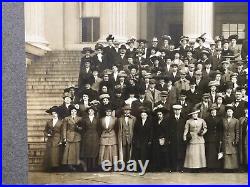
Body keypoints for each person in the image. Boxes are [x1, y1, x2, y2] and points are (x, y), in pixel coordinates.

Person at [61, 105, 82, 171]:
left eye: (75, 111)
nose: (73, 112)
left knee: (76, 151)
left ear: (76, 112)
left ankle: (75, 165)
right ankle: (68, 165)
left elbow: (82, 128)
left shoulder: (80, 119)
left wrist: (79, 128)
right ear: (70, 112)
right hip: (69, 136)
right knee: (68, 151)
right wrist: (64, 137)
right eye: (72, 111)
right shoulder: (66, 118)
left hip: (77, 136)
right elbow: (64, 129)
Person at [132, 107, 153, 171]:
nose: (143, 116)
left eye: (144, 115)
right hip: (139, 140)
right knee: (138, 154)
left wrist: (150, 140)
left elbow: (151, 132)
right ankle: (138, 168)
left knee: (145, 154)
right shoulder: (138, 122)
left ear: (147, 115)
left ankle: (145, 168)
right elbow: (135, 132)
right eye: (142, 115)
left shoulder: (150, 122)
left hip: (146, 140)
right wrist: (135, 139)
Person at [80, 105, 100, 171]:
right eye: (89, 111)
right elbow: (83, 129)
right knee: (87, 151)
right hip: (87, 136)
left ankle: (93, 167)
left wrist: (98, 136)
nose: (90, 112)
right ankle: (87, 167)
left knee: (94, 150)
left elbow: (99, 129)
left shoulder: (97, 119)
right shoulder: (85, 119)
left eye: (92, 111)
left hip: (95, 136)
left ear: (94, 112)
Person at [43, 106, 63, 171]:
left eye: (56, 113)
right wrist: (47, 134)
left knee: (56, 153)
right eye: (53, 113)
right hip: (50, 139)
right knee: (50, 153)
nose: (54, 115)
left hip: (57, 139)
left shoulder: (61, 122)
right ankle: (50, 167)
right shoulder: (49, 122)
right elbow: (45, 131)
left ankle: (56, 167)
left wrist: (61, 140)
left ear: (58, 114)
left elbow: (62, 132)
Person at [204, 104, 223, 171]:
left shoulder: (220, 119)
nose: (213, 111)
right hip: (209, 138)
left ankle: (216, 168)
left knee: (216, 152)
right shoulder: (206, 119)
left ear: (216, 111)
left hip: (217, 138)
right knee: (210, 153)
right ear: (210, 112)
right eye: (211, 110)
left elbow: (221, 130)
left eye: (214, 110)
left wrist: (221, 139)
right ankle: (209, 167)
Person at [152, 106, 171, 172]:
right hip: (157, 139)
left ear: (162, 115)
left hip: (164, 139)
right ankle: (158, 167)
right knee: (157, 153)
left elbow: (167, 131)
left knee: (165, 153)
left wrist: (164, 138)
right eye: (158, 114)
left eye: (160, 114)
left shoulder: (166, 122)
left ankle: (166, 167)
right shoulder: (156, 121)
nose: (159, 116)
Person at [168, 105, 186, 172]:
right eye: (175, 110)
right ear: (173, 111)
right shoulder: (170, 119)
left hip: (181, 139)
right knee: (173, 153)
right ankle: (173, 168)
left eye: (178, 110)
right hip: (173, 139)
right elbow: (168, 130)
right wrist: (169, 139)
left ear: (180, 110)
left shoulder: (183, 119)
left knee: (181, 153)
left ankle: (181, 168)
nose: (177, 111)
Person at [222, 104, 240, 171]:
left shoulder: (236, 120)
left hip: (232, 138)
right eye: (228, 111)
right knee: (226, 153)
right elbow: (222, 130)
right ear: (226, 112)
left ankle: (233, 167)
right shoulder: (223, 120)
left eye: (230, 111)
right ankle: (226, 168)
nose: (229, 112)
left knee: (233, 153)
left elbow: (237, 131)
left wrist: (236, 139)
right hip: (225, 138)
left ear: (232, 112)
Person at [239, 107, 248, 171]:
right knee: (244, 151)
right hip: (243, 137)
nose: (246, 111)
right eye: (246, 110)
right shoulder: (241, 119)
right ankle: (244, 166)